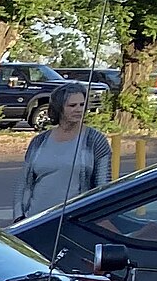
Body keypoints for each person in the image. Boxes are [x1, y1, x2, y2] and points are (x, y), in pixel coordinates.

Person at [15, 83, 113, 217]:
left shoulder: (95, 140)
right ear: (59, 108)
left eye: (81, 104)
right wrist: (19, 217)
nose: (78, 109)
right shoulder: (39, 142)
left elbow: (103, 187)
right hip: (35, 219)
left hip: (74, 220)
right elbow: (24, 184)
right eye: (72, 105)